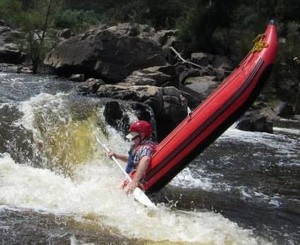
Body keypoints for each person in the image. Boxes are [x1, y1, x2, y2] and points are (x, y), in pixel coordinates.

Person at [108, 120, 156, 194]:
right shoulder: (138, 147)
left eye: (134, 137)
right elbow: (132, 160)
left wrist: (134, 182)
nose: (132, 140)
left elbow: (145, 159)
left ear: (142, 136)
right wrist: (117, 156)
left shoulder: (145, 148)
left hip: (133, 181)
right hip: (128, 178)